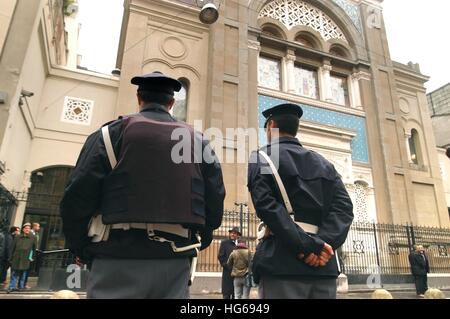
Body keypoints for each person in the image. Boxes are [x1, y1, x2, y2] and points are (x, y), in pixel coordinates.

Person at [60, 71, 225, 299]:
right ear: (171, 103)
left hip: (114, 258)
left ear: (139, 98)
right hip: (174, 259)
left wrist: (80, 246)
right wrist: (201, 237)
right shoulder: (198, 141)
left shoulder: (109, 134)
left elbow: (77, 196)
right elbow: (214, 199)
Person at [247, 103, 354, 299]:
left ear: (271, 126)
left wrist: (306, 247)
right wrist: (322, 246)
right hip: (324, 268)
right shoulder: (325, 164)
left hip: (282, 263)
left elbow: (267, 207)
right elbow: (344, 209)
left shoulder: (262, 157)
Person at [7, 223, 36, 293]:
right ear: (23, 229)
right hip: (16, 257)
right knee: (14, 273)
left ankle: (21, 287)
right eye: (26, 228)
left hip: (25, 258)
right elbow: (12, 248)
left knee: (23, 274)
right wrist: (10, 257)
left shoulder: (33, 238)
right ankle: (12, 287)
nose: (27, 230)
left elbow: (34, 249)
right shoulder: (17, 237)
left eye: (29, 228)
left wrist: (32, 257)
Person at [218, 227, 241, 299]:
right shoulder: (224, 243)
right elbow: (220, 256)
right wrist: (226, 265)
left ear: (238, 235)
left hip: (238, 272)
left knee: (236, 294)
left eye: (234, 233)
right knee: (226, 294)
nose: (232, 234)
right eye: (231, 233)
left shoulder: (241, 243)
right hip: (227, 272)